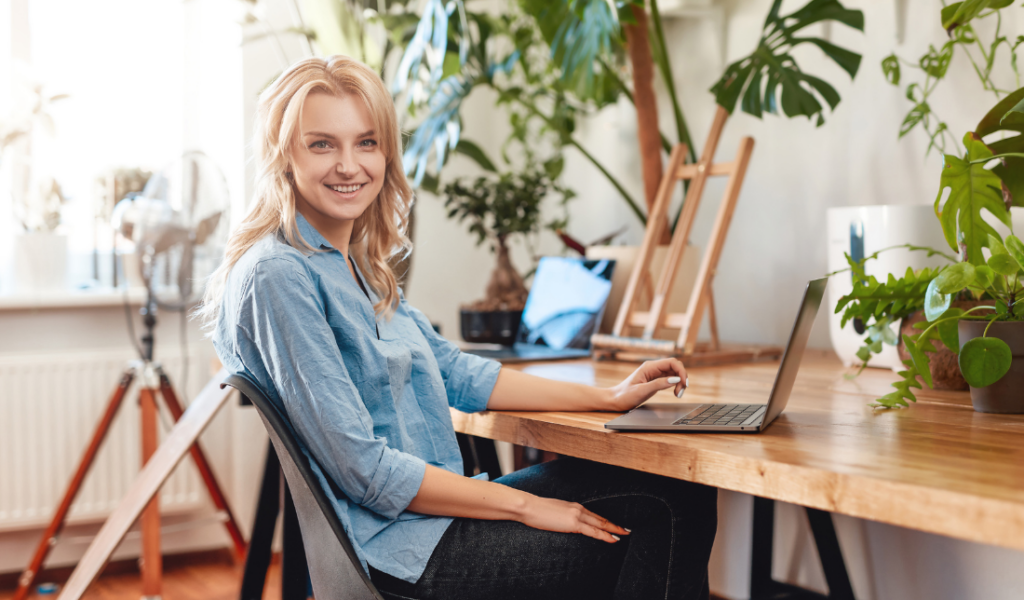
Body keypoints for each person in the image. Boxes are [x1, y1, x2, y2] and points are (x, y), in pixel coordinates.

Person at [202, 55, 717, 600]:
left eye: (367, 142)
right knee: (666, 509)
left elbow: (455, 371)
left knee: (674, 484)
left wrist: (605, 397)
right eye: (322, 144)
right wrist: (528, 506)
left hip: (430, 522)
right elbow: (365, 470)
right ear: (284, 157)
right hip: (399, 552)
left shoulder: (352, 261)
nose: (349, 165)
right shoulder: (278, 274)